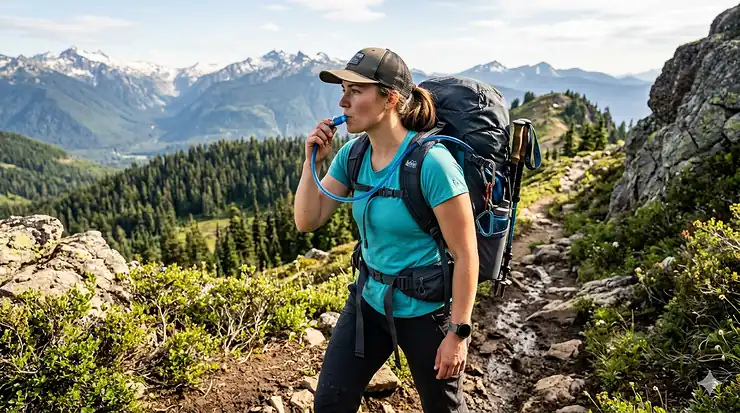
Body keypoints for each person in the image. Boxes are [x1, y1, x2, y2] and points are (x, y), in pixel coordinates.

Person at [293, 47, 479, 413]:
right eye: (343, 90)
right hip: (368, 301)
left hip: (427, 312)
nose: (343, 102)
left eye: (355, 91)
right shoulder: (354, 155)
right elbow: (308, 220)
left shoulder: (433, 164)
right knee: (329, 403)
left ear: (390, 99)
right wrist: (310, 161)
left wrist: (458, 334)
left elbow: (466, 253)